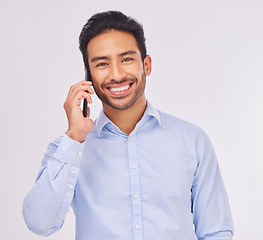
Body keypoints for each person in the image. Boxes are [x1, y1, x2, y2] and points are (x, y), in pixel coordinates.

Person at [23, 11, 234, 240]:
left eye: (126, 59)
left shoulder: (192, 140)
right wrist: (74, 138)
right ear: (88, 76)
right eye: (102, 63)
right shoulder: (69, 149)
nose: (116, 74)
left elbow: (216, 231)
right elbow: (39, 223)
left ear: (147, 65)